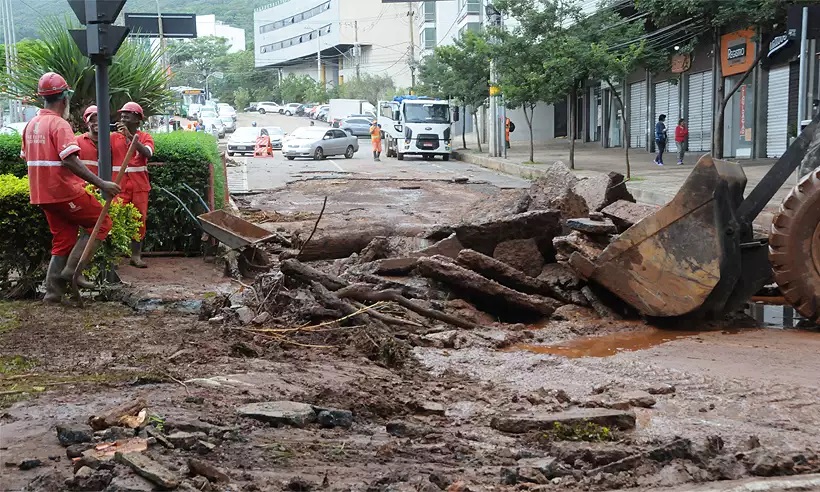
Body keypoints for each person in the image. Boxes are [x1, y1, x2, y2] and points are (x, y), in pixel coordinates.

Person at [22, 72, 120, 303]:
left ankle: (53, 294)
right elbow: (68, 159)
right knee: (101, 221)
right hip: (61, 192)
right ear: (64, 99)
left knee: (63, 239)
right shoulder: (59, 123)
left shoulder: (31, 124)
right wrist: (101, 182)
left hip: (41, 194)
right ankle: (74, 270)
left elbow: (29, 158)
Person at [111, 102, 154, 268]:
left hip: (139, 187)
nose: (123, 117)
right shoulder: (113, 138)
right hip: (119, 186)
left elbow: (148, 153)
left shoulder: (145, 137)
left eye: (127, 114)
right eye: (122, 115)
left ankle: (136, 256)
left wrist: (130, 137)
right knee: (114, 220)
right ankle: (113, 257)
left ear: (138, 119)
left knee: (139, 220)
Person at [76, 105, 100, 176]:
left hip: (106, 185)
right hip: (83, 185)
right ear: (87, 123)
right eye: (92, 121)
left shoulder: (110, 141)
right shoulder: (77, 141)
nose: (96, 123)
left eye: (99, 120)